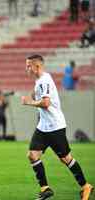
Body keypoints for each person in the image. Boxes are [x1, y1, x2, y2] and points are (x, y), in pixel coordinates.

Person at [21, 54, 93, 200]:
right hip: (44, 126)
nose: (26, 68)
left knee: (66, 158)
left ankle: (86, 186)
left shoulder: (44, 80)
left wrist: (28, 102)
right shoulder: (41, 79)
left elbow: (46, 103)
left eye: (28, 65)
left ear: (37, 66)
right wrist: (31, 95)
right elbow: (38, 93)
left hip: (54, 126)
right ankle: (45, 189)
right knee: (32, 154)